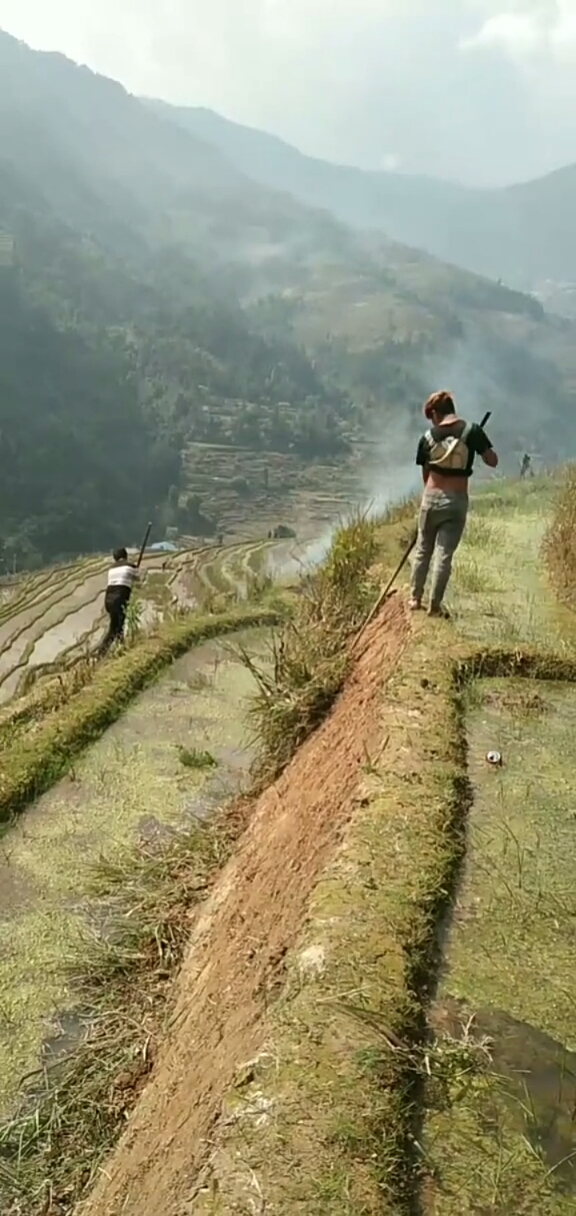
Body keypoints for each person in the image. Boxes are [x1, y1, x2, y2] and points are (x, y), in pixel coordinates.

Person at [410, 391, 499, 618]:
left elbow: (425, 473)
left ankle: (414, 599)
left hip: (431, 497)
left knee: (423, 550)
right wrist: (480, 447)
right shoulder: (472, 431)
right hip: (456, 500)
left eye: (431, 417)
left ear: (435, 413)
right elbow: (492, 461)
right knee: (444, 554)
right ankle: (434, 606)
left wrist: (429, 496)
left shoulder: (428, 437)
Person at [98, 547, 139, 655]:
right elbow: (139, 578)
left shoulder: (111, 569)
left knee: (114, 627)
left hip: (108, 600)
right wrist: (136, 570)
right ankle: (119, 650)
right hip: (119, 599)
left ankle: (104, 651)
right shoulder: (129, 566)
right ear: (125, 555)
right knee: (119, 627)